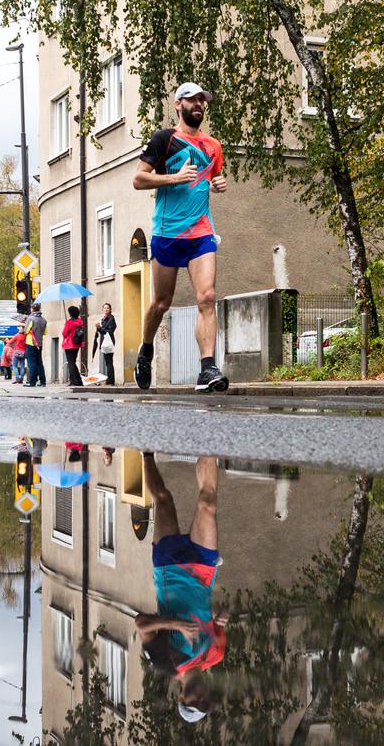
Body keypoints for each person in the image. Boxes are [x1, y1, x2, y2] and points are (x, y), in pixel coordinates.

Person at [133, 82, 230, 394]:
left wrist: (217, 184)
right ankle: (145, 349)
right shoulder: (164, 139)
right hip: (167, 232)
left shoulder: (213, 146)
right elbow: (138, 178)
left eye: (202, 100)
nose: (199, 104)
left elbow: (210, 177)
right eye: (192, 100)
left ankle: (207, 368)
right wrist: (173, 178)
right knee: (161, 303)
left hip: (201, 232)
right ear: (178, 105)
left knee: (207, 297)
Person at [137, 453, 228, 723]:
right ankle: (208, 434)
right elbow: (218, 620)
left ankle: (146, 452)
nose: (200, 698)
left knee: (163, 498)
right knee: (207, 504)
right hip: (202, 570)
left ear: (180, 698)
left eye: (193, 703)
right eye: (205, 702)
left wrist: (175, 625)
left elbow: (141, 625)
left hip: (169, 568)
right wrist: (222, 618)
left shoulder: (167, 663)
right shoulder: (216, 653)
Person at [23, 304, 47, 387]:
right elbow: (44, 332)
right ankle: (43, 381)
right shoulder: (44, 320)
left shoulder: (30, 318)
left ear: (32, 309)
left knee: (31, 363)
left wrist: (25, 326)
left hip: (31, 342)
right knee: (39, 362)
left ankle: (32, 381)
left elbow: (25, 331)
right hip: (39, 343)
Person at [94, 302, 118, 385]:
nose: (106, 309)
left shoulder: (111, 318)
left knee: (109, 362)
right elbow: (103, 332)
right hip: (104, 342)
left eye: (107, 308)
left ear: (110, 309)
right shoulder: (104, 318)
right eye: (104, 308)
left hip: (109, 342)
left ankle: (110, 381)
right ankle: (110, 380)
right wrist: (98, 328)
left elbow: (110, 331)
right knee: (108, 362)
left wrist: (101, 328)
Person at [62, 305, 86, 386]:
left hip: (69, 344)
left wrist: (67, 324)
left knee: (71, 363)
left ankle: (74, 381)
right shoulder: (80, 321)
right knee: (73, 362)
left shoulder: (69, 322)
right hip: (77, 344)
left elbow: (64, 333)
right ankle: (78, 381)